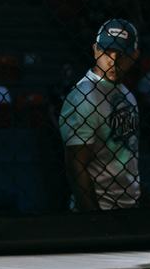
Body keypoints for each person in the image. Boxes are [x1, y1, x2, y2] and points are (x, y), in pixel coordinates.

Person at [58, 19, 141, 211]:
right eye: (107, 51)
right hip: (102, 208)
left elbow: (127, 157)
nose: (113, 60)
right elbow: (76, 165)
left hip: (129, 205)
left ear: (134, 56)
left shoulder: (127, 94)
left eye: (121, 54)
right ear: (95, 50)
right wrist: (95, 219)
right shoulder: (84, 96)